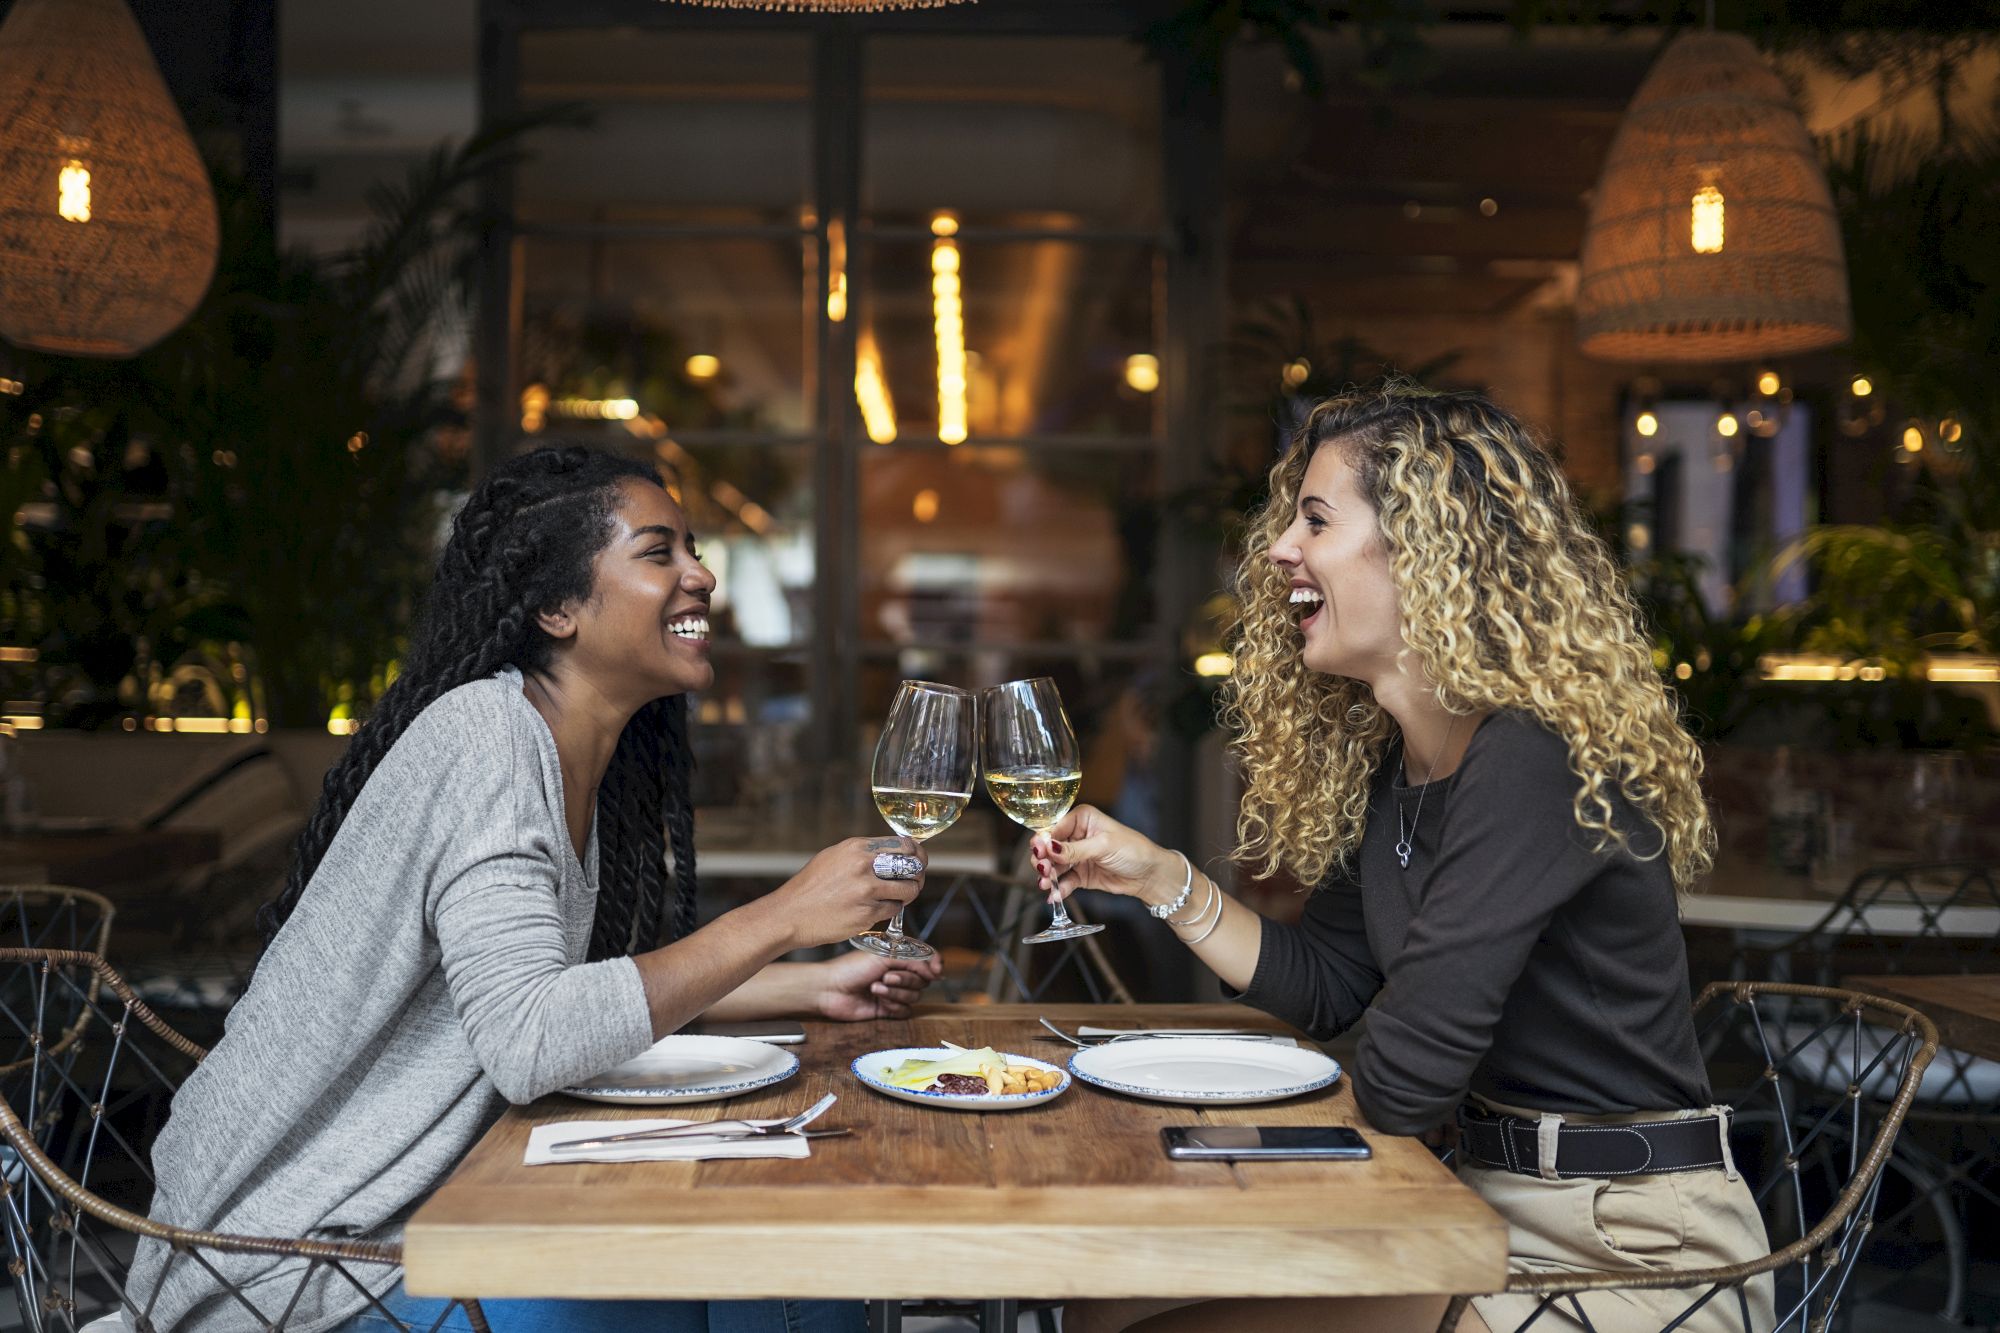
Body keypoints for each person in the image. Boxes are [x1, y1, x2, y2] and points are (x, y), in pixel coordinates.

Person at [128, 446, 939, 1333]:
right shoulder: (487, 738)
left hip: (419, 1222)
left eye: (692, 549)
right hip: (295, 1269)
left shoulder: (565, 751)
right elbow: (531, 1037)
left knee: (778, 1264)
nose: (702, 574)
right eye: (659, 551)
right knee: (715, 1273)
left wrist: (806, 983)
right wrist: (784, 916)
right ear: (557, 607)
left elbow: (564, 1000)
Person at [1036, 384, 1771, 1333]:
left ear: (1429, 547)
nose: (1279, 549)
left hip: (1634, 1249)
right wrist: (1159, 878)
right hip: (1478, 1205)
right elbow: (1333, 984)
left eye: (1315, 518)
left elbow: (1403, 1081)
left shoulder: (1532, 757)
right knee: (1107, 1303)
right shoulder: (1404, 764)